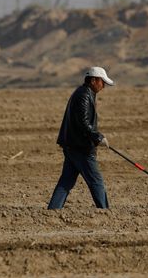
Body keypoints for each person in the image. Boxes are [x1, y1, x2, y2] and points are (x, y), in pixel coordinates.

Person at [47, 66, 114, 210]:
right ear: (94, 80)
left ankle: (53, 210)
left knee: (66, 182)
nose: (104, 86)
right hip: (80, 147)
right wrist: (98, 137)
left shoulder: (85, 92)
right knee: (96, 181)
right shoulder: (84, 95)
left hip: (72, 145)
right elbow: (82, 122)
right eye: (102, 82)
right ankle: (105, 211)